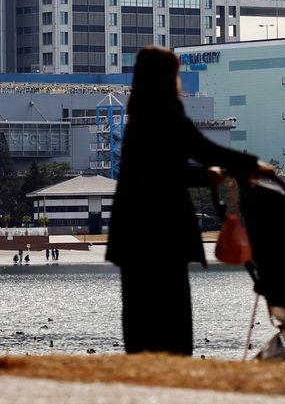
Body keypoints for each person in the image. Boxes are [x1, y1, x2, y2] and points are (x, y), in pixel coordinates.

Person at [106, 46, 270, 356]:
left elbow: (158, 171)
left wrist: (203, 176)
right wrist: (252, 165)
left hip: (132, 231)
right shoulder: (167, 113)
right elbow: (204, 149)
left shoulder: (138, 119)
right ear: (167, 78)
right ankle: (175, 364)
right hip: (163, 231)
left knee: (139, 309)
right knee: (173, 312)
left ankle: (140, 366)